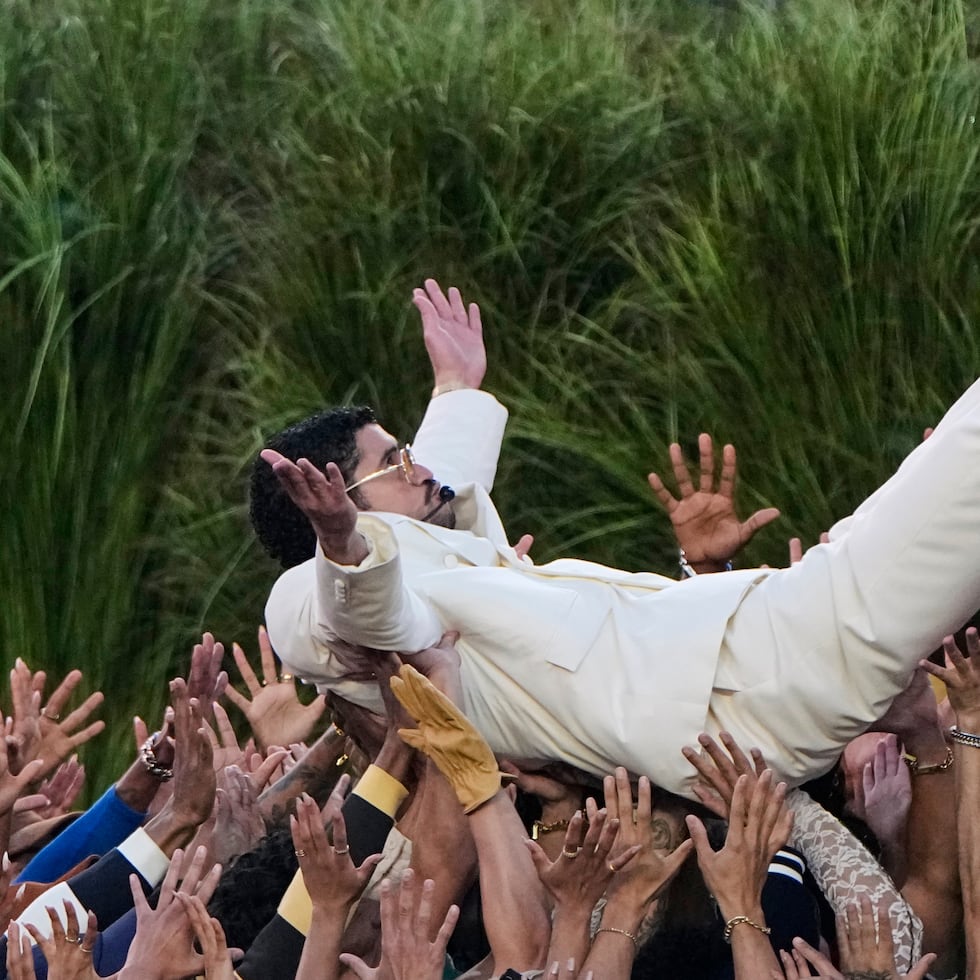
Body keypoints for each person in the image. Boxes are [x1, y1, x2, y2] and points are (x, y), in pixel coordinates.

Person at [251, 278, 980, 798]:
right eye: (392, 461)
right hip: (740, 700)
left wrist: (458, 390)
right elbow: (362, 611)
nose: (418, 467)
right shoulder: (305, 602)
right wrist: (342, 544)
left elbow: (445, 490)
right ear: (325, 506)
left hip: (754, 649)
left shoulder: (424, 546)